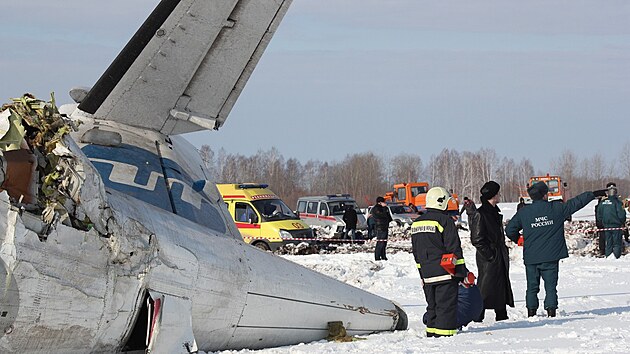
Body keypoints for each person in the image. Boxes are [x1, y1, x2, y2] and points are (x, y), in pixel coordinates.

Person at [505, 182, 606, 317]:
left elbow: (510, 229)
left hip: (532, 257)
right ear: (545, 195)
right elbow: (576, 203)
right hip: (551, 257)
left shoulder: (524, 212)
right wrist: (593, 194)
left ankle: (531, 313)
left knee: (532, 287)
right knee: (551, 287)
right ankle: (551, 311)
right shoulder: (556, 208)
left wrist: (518, 239)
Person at [411, 187, 469, 337]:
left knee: (432, 307)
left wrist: (422, 274)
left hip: (427, 274)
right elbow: (454, 250)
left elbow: (416, 253)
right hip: (445, 273)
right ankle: (444, 338)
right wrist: (461, 273)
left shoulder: (416, 223)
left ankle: (431, 333)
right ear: (441, 202)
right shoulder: (445, 221)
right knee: (446, 307)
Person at [469, 181, 514, 322]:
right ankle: (477, 317)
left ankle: (502, 315)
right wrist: (490, 255)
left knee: (500, 286)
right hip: (488, 258)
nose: (499, 195)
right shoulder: (481, 214)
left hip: (498, 255)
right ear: (493, 195)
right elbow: (477, 239)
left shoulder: (495, 212)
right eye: (498, 193)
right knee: (485, 288)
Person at [596, 183, 626, 259]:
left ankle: (608, 255)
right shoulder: (617, 203)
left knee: (608, 242)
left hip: (606, 225)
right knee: (616, 242)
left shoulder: (602, 203)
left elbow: (598, 214)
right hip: (616, 225)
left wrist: (602, 222)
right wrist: (622, 222)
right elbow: (621, 214)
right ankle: (616, 256)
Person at [371, 196, 392, 261]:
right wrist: (384, 209)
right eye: (383, 202)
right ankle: (377, 257)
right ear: (380, 202)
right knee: (380, 242)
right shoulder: (376, 209)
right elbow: (382, 215)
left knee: (384, 243)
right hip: (380, 227)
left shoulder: (384, 208)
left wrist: (386, 209)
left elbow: (389, 217)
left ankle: (383, 256)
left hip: (385, 226)